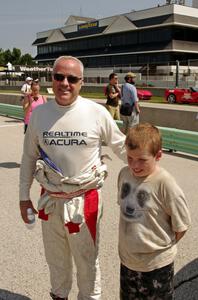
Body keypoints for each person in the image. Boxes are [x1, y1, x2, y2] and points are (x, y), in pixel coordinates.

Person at [19, 56, 126, 300]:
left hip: (85, 201)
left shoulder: (97, 113)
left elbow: (122, 147)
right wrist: (23, 197)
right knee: (56, 261)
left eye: (72, 78)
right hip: (51, 200)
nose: (64, 83)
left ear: (81, 82)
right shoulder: (39, 115)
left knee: (87, 262)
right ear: (52, 79)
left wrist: (151, 170)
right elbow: (28, 158)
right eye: (59, 77)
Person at [117, 123, 191, 300]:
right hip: (128, 262)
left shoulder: (165, 184)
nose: (134, 165)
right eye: (129, 158)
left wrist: (159, 248)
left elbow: (182, 226)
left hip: (157, 267)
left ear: (158, 155)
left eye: (142, 159)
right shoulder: (124, 175)